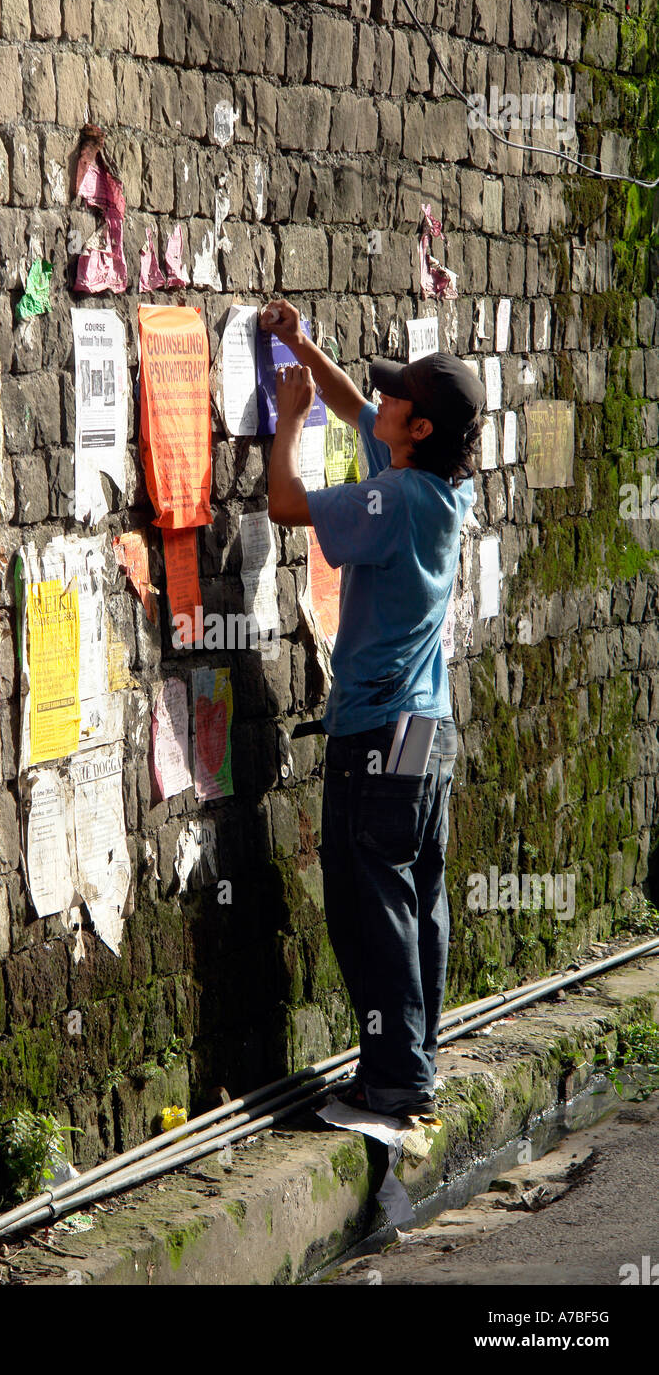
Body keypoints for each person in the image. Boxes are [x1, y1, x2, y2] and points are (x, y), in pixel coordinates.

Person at [261, 298, 485, 1121]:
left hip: (380, 734)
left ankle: (395, 1079)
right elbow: (358, 408)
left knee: (370, 906)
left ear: (419, 430)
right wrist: (302, 349)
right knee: (419, 893)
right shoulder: (439, 488)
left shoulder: (395, 505)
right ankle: (411, 1063)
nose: (380, 402)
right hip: (428, 728)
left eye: (400, 400)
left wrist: (287, 422)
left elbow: (288, 505)